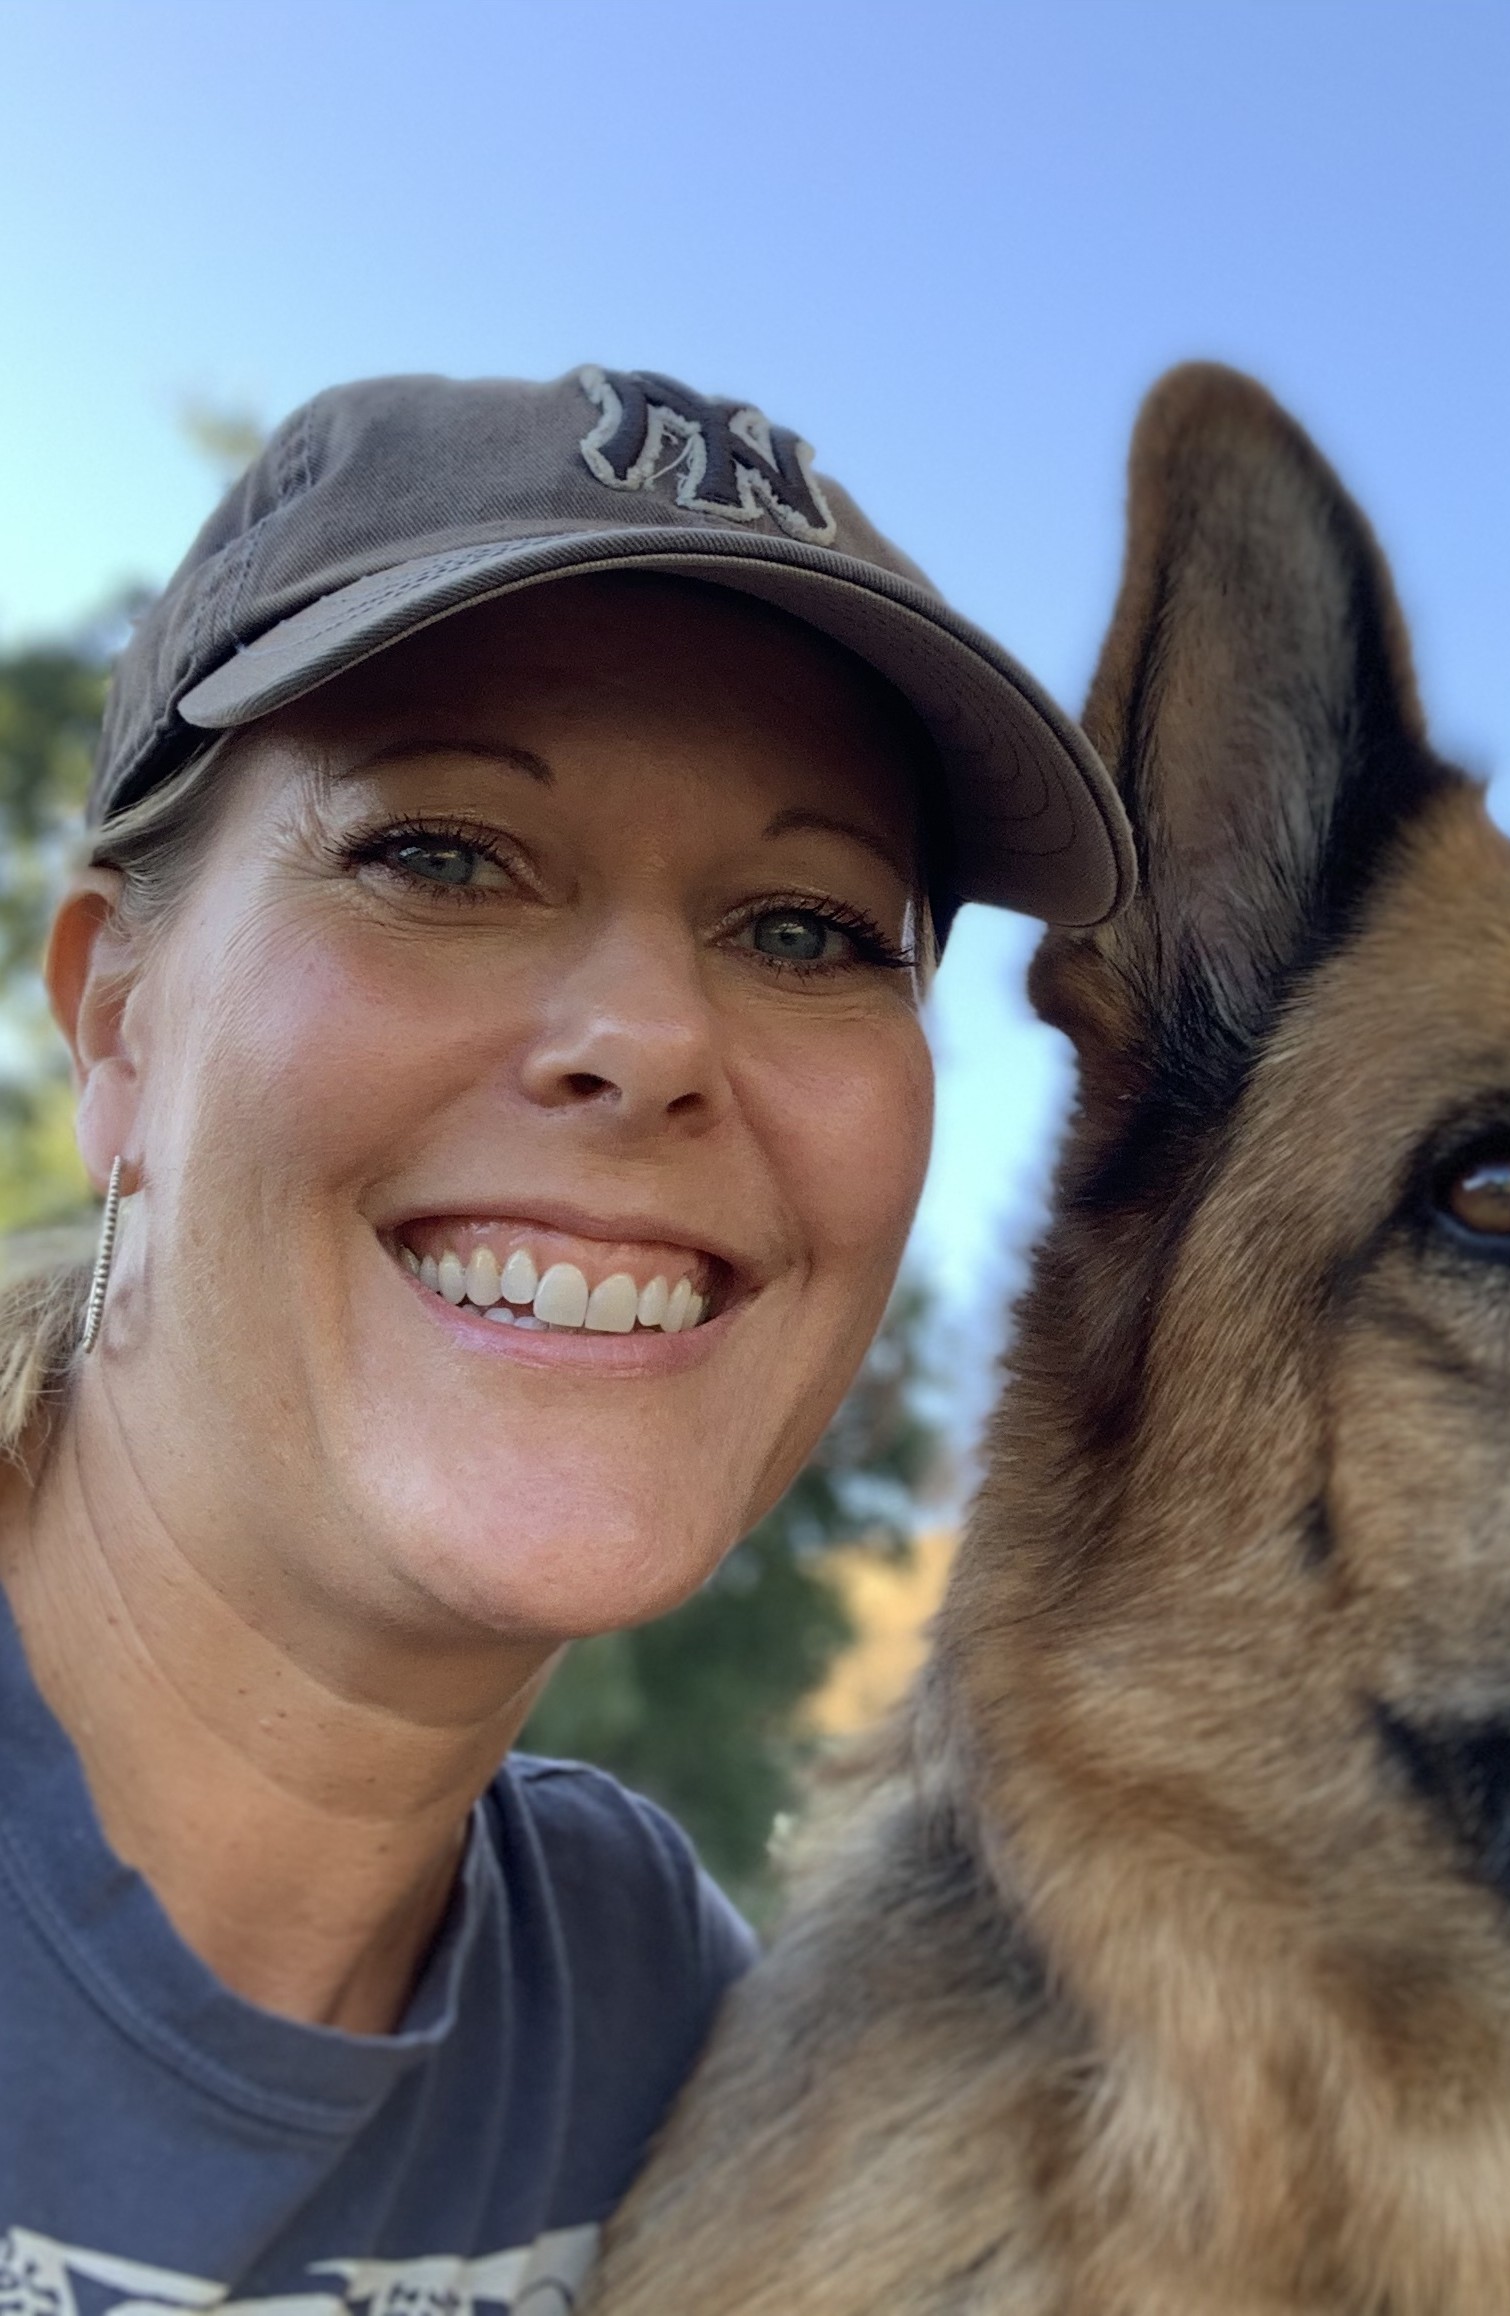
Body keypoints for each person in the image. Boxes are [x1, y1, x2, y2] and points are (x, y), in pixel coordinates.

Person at [0, 365, 1131, 2315]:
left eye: (807, 931)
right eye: (442, 855)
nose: (655, 1038)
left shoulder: (641, 2011)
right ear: (116, 1024)